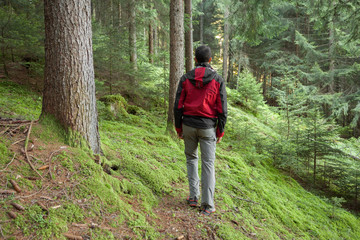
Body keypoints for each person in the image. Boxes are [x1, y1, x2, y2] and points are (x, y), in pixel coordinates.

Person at [174, 45, 227, 216]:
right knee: (208, 165)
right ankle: (208, 205)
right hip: (208, 127)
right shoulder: (217, 79)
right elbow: (222, 109)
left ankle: (193, 197)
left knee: (191, 159)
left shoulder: (185, 78)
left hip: (188, 125)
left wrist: (178, 127)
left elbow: (178, 106)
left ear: (195, 60)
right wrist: (220, 131)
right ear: (210, 60)